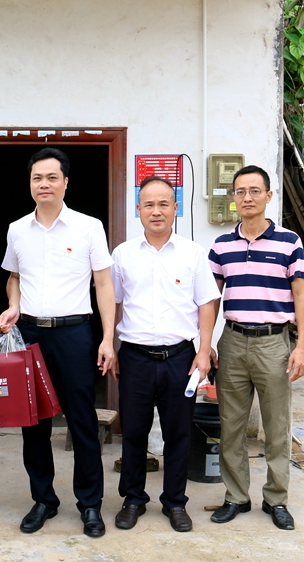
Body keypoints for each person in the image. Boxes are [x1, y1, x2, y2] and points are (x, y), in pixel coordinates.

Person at [0, 147, 116, 538]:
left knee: (82, 420)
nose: (44, 184)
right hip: (30, 334)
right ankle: (43, 500)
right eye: (37, 178)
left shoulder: (88, 227)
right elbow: (14, 277)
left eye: (52, 177)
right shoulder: (17, 229)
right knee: (33, 422)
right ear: (30, 184)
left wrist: (107, 338)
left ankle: (90, 504)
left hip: (73, 334)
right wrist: (13, 305)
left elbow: (103, 284)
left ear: (66, 182)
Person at [110, 177, 220, 533]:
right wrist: (110, 345)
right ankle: (133, 499)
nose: (156, 211)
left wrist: (203, 351)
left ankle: (174, 502)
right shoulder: (123, 254)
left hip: (180, 358)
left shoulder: (192, 253)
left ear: (175, 208)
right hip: (135, 357)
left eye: (163, 204)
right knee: (133, 432)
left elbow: (207, 302)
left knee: (178, 433)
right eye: (148, 205)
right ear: (138, 210)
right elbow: (112, 303)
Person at [208, 165, 304, 531]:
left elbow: (301, 295)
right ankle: (236, 496)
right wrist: (205, 346)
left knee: (276, 426)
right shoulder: (221, 246)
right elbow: (210, 300)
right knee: (231, 425)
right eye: (240, 191)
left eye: (254, 191)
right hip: (233, 341)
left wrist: (302, 346)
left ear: (268, 196)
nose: (247, 198)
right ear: (233, 198)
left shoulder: (289, 242)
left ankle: (276, 499)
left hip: (274, 343)